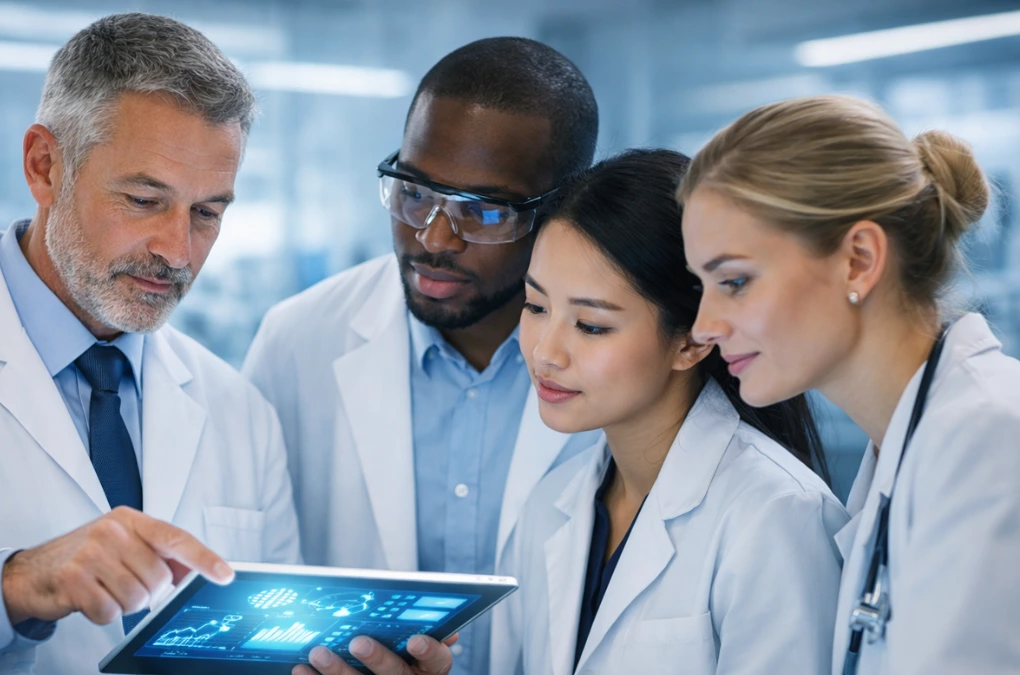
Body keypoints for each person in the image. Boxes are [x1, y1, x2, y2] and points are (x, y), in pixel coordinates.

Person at [0, 14, 304, 675]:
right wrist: (17, 586)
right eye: (142, 199)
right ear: (44, 166)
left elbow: (273, 646)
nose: (177, 249)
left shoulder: (238, 409)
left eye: (207, 213)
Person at [243, 37, 600, 675]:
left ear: (563, 209)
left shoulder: (619, 362)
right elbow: (253, 589)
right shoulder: (298, 341)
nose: (433, 239)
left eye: (484, 210)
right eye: (414, 192)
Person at [679, 94, 1020, 675]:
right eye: (701, 286)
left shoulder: (988, 440)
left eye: (734, 281)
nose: (705, 327)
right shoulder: (908, 443)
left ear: (859, 259)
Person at [500, 149, 847, 674]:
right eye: (536, 306)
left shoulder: (777, 516)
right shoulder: (551, 505)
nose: (546, 352)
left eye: (591, 325)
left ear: (691, 342)